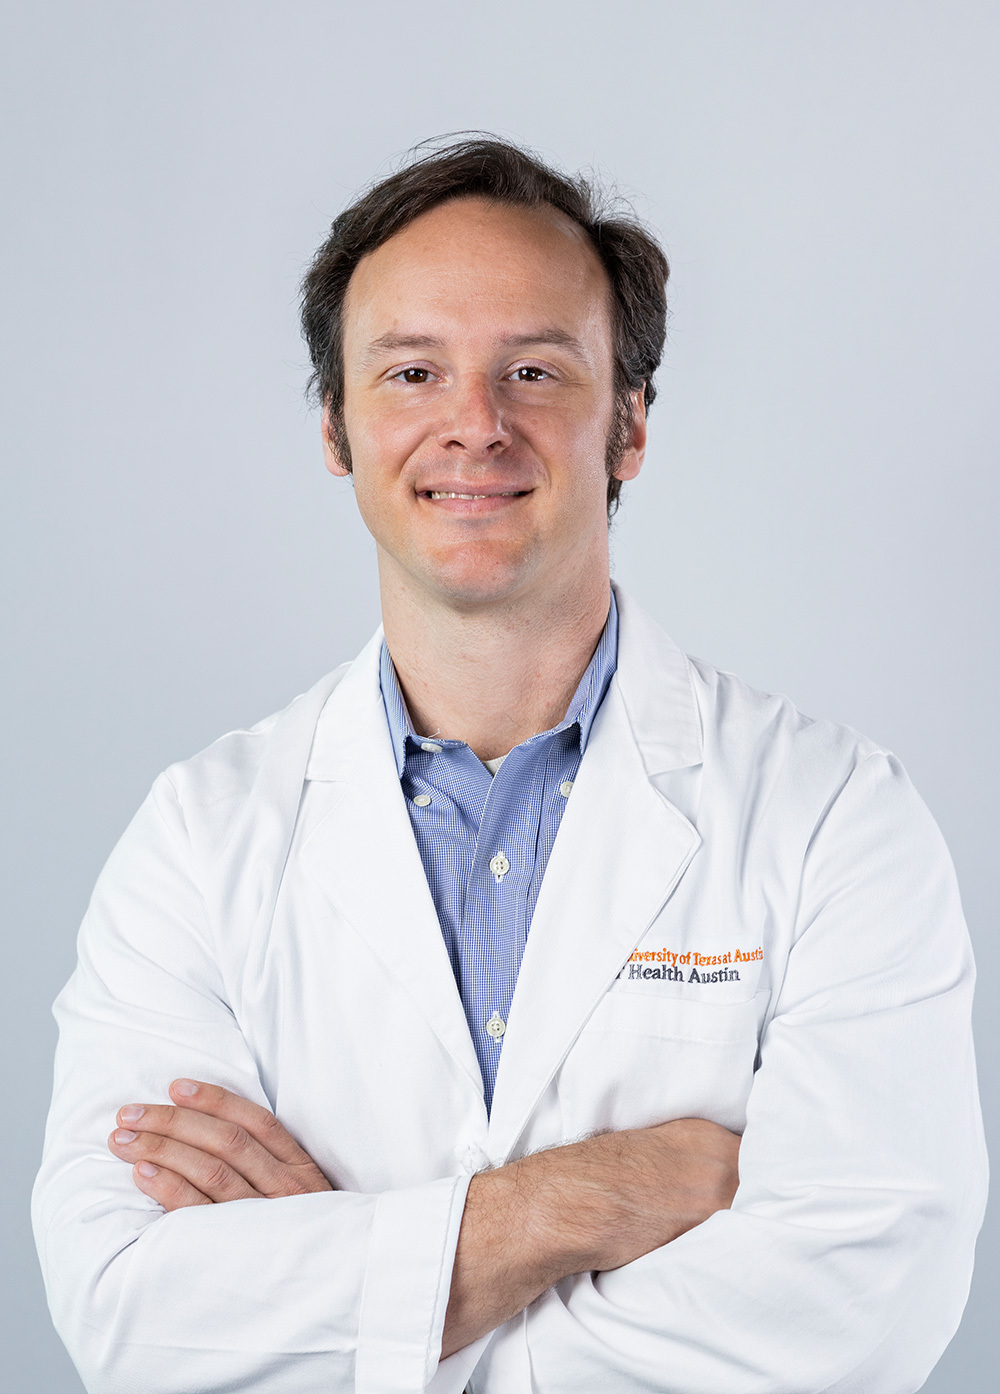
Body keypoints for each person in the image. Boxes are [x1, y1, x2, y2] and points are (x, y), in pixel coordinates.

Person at [33, 136, 986, 1394]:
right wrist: (569, 1204)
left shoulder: (831, 818)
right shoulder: (200, 837)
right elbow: (127, 1315)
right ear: (335, 425)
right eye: (411, 370)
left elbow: (861, 1302)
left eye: (534, 369)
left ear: (628, 424)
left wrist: (357, 1294)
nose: (473, 425)